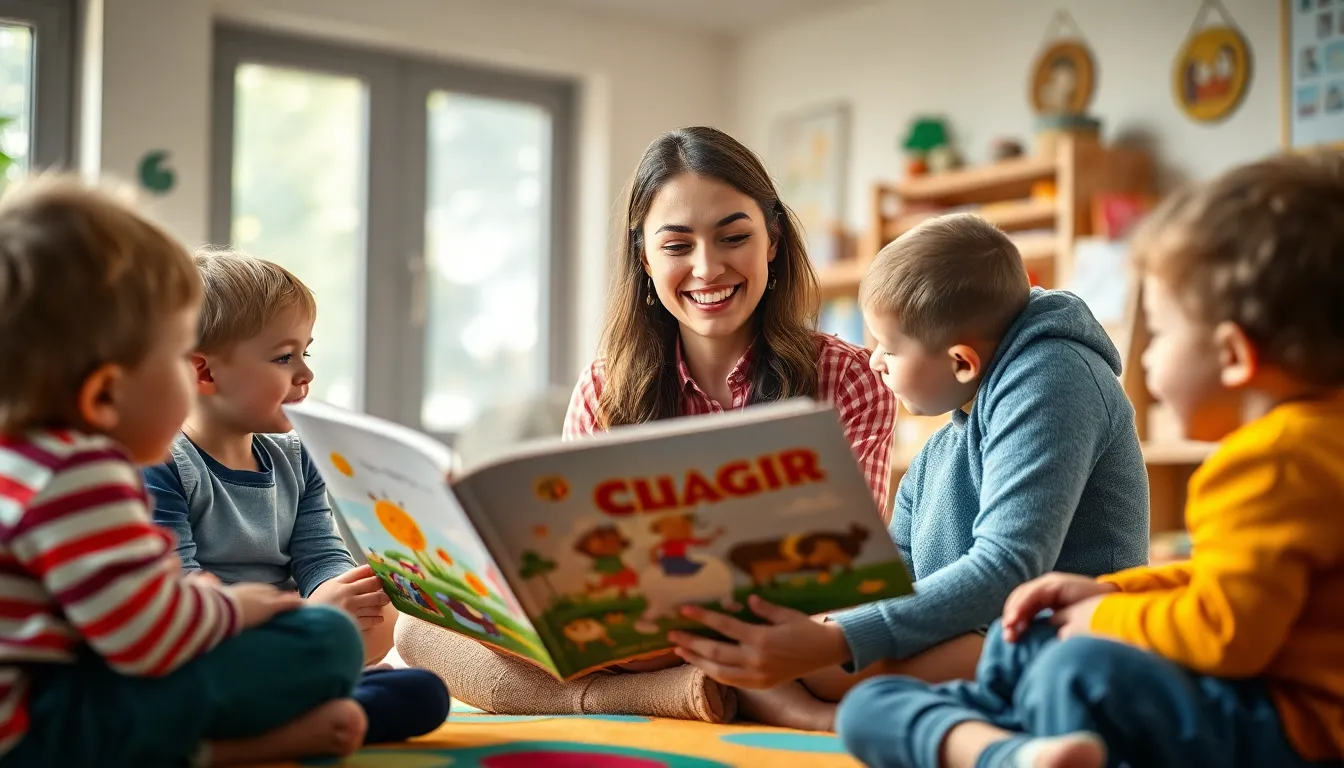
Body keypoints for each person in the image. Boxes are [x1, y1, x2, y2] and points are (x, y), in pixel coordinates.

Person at [837, 152, 1344, 768]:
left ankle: (1022, 749)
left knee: (1073, 667)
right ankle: (1013, 757)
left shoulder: (1272, 463)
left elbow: (1227, 633)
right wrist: (1108, 593)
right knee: (879, 700)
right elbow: (1220, 583)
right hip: (1241, 700)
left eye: (1159, 332)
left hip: (1288, 726)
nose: (1146, 360)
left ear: (1233, 355)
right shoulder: (1297, 447)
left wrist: (1106, 611)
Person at [395, 125, 897, 724]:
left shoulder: (847, 375)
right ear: (644, 257)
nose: (708, 268)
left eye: (734, 237)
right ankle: (675, 692)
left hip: (781, 629)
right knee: (416, 626)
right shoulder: (605, 388)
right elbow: (573, 562)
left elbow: (840, 573)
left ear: (773, 242)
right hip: (627, 645)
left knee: (853, 645)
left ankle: (694, 685)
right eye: (677, 245)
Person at [671, 212, 1151, 731]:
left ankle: (830, 716)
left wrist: (837, 638)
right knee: (751, 638)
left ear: (962, 362)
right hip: (974, 627)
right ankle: (826, 715)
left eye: (890, 347)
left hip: (1049, 635)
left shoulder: (1052, 378)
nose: (874, 360)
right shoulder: (945, 444)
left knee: (814, 664)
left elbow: (1008, 564)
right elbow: (895, 567)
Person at [0, 175, 368, 766]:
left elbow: (113, 617)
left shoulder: (27, 460)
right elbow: (144, 641)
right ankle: (222, 747)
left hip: (51, 702)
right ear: (105, 395)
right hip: (41, 732)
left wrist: (182, 599)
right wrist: (233, 609)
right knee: (324, 643)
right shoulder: (84, 474)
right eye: (174, 357)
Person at [143, 248, 449, 745]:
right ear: (205, 373)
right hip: (217, 641)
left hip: (291, 634)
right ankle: (282, 716)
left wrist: (349, 589)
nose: (305, 374)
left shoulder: (297, 455)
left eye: (306, 352)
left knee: (422, 686)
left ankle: (296, 706)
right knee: (332, 641)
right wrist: (307, 614)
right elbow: (179, 589)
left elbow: (321, 552)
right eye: (284, 357)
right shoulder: (164, 461)